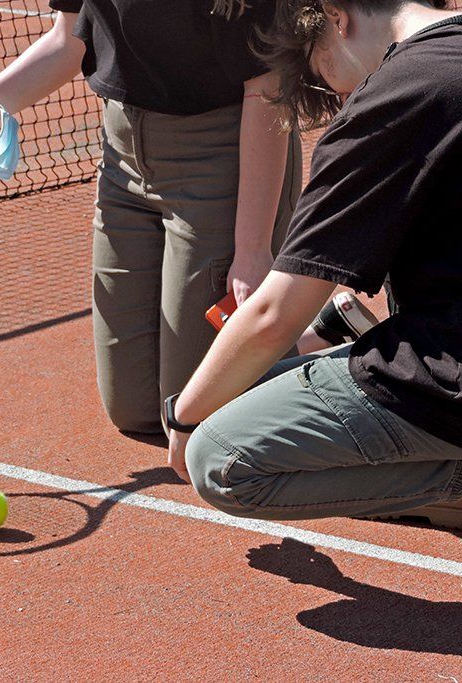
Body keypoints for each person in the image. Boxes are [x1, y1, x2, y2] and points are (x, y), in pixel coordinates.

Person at [0, 1, 303, 434]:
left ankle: (312, 352)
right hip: (123, 163)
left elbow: (269, 89)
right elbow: (67, 40)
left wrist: (253, 250)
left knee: (199, 415)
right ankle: (321, 331)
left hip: (223, 158)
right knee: (137, 410)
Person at [166, 0, 462, 528]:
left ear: (336, 16)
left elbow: (274, 315)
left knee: (217, 455)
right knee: (241, 385)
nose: (338, 98)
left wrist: (183, 419)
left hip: (449, 374)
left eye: (321, 72)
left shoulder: (393, 98)